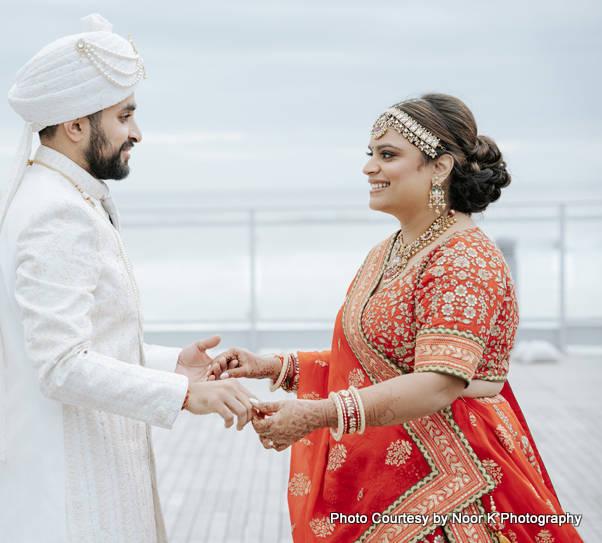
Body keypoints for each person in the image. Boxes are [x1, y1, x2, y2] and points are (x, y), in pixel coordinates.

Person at [212, 94, 583, 542]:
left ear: (440, 167)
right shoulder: (389, 250)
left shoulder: (464, 259)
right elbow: (378, 359)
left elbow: (439, 382)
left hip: (455, 480)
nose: (370, 168)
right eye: (371, 154)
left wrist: (319, 414)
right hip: (388, 473)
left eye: (388, 155)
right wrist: (275, 367)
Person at [0, 14, 256, 543]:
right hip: (66, 495)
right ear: (76, 123)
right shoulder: (56, 212)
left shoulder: (61, 195)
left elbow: (78, 341)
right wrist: (182, 394)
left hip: (76, 471)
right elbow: (59, 365)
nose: (137, 133)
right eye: (125, 116)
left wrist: (174, 363)